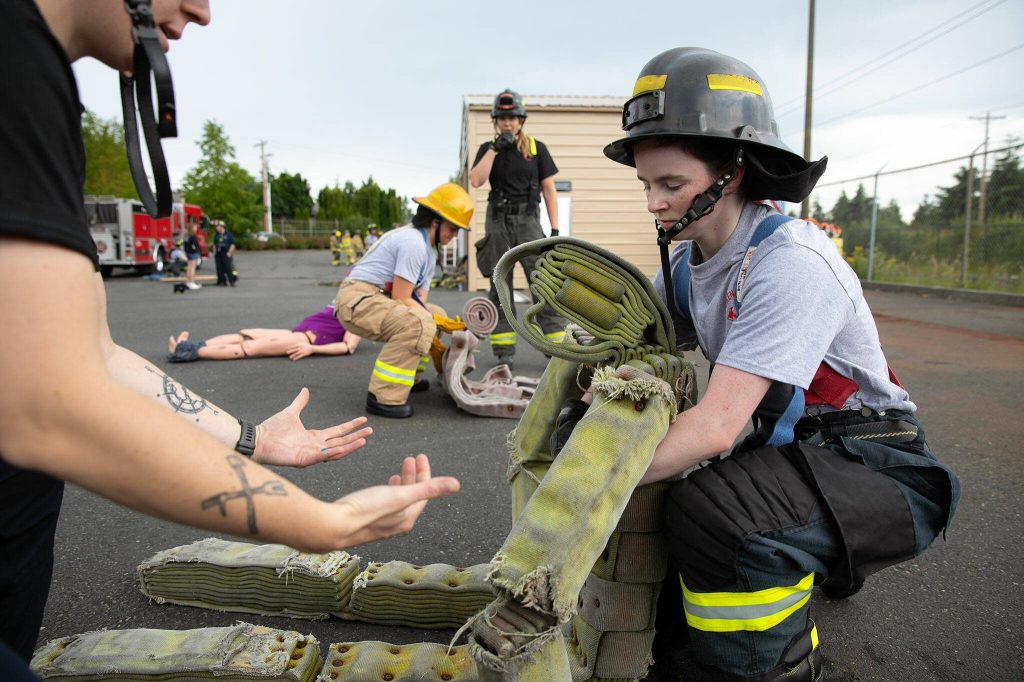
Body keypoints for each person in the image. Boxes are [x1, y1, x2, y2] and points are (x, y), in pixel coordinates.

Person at [0, 0, 459, 666]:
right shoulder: (13, 62)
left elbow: (93, 355)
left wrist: (250, 439)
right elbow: (47, 404)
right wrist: (321, 523)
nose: (203, 12)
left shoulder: (35, 71)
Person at [600, 47, 960, 681]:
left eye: (671, 185)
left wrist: (587, 478)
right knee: (678, 554)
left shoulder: (787, 262)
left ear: (730, 174)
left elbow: (715, 429)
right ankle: (808, 557)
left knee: (716, 515)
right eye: (646, 184)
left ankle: (773, 666)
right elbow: (631, 350)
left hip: (879, 462)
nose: (653, 203)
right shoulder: (685, 268)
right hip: (794, 448)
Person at [334, 182, 473, 419]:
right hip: (357, 299)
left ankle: (408, 378)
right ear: (435, 221)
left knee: (433, 312)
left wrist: (437, 320)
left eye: (458, 230)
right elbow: (402, 297)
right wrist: (431, 321)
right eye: (452, 227)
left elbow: (420, 299)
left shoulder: (429, 250)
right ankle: (384, 396)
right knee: (419, 322)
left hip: (376, 297)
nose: (455, 235)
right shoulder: (413, 243)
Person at [469, 88, 565, 370]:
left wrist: (555, 229)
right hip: (497, 219)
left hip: (528, 219)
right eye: (502, 118)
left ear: (521, 119)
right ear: (496, 121)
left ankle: (556, 349)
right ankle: (504, 352)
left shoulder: (536, 149)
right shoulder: (488, 149)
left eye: (512, 118)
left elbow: (549, 190)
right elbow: (475, 181)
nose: (507, 123)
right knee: (500, 285)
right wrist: (495, 148)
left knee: (542, 280)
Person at [167, 303, 362, 362]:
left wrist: (311, 349)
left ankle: (186, 352)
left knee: (248, 348)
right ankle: (193, 345)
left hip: (304, 338)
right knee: (243, 335)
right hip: (294, 331)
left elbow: (348, 346)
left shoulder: (361, 313)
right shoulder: (345, 299)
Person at [211, 218, 238, 286]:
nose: (216, 228)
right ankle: (222, 281)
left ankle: (232, 281)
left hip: (225, 252)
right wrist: (214, 252)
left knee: (228, 267)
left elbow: (232, 244)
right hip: (218, 253)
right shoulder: (216, 235)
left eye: (218, 226)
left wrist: (229, 252)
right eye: (216, 226)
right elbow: (214, 244)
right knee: (219, 268)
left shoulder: (228, 234)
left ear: (222, 227)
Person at [183, 220, 202, 289]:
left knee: (189, 267)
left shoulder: (186, 236)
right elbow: (196, 245)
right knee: (192, 268)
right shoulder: (192, 236)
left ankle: (188, 281)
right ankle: (191, 282)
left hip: (188, 253)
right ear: (192, 228)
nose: (196, 228)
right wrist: (199, 251)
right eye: (195, 227)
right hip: (193, 253)